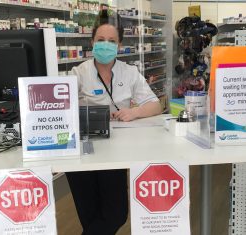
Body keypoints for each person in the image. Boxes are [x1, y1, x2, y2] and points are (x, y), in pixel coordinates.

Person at [66, 10, 162, 235]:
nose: (105, 45)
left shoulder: (130, 72)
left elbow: (155, 105)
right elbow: (62, 106)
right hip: (84, 149)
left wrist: (134, 112)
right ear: (92, 42)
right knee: (89, 217)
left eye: (111, 41)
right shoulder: (78, 72)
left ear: (119, 45)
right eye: (100, 40)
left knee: (116, 214)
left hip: (115, 151)